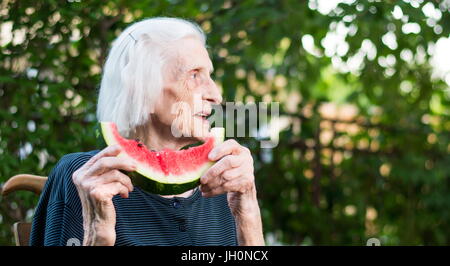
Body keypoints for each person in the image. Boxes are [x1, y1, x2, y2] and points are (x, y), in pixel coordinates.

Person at [30, 17, 264, 246]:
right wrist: (97, 233)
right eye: (194, 75)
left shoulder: (222, 182)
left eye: (209, 75)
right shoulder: (85, 178)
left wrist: (248, 214)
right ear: (143, 89)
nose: (215, 95)